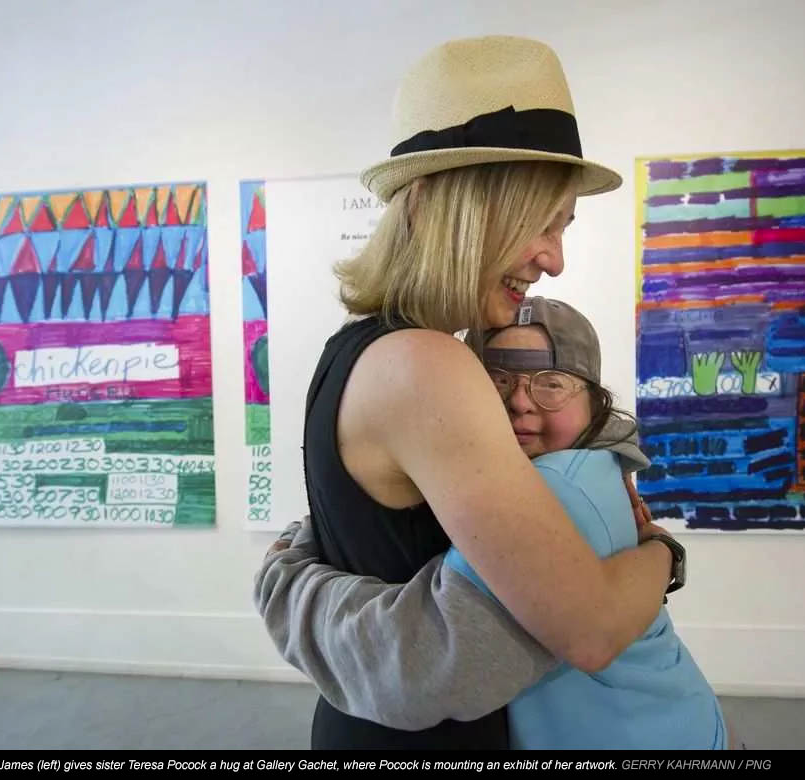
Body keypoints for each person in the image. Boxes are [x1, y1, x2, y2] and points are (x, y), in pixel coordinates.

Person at [260, 35, 678, 749]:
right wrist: (664, 556)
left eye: (562, 226)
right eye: (538, 223)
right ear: (433, 206)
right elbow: (589, 629)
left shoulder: (360, 349)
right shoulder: (427, 365)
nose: (554, 257)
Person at [258, 298, 733, 749]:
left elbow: (421, 665)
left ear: (594, 401)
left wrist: (286, 580)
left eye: (551, 382)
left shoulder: (557, 488)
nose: (521, 402)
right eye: (498, 380)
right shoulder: (579, 464)